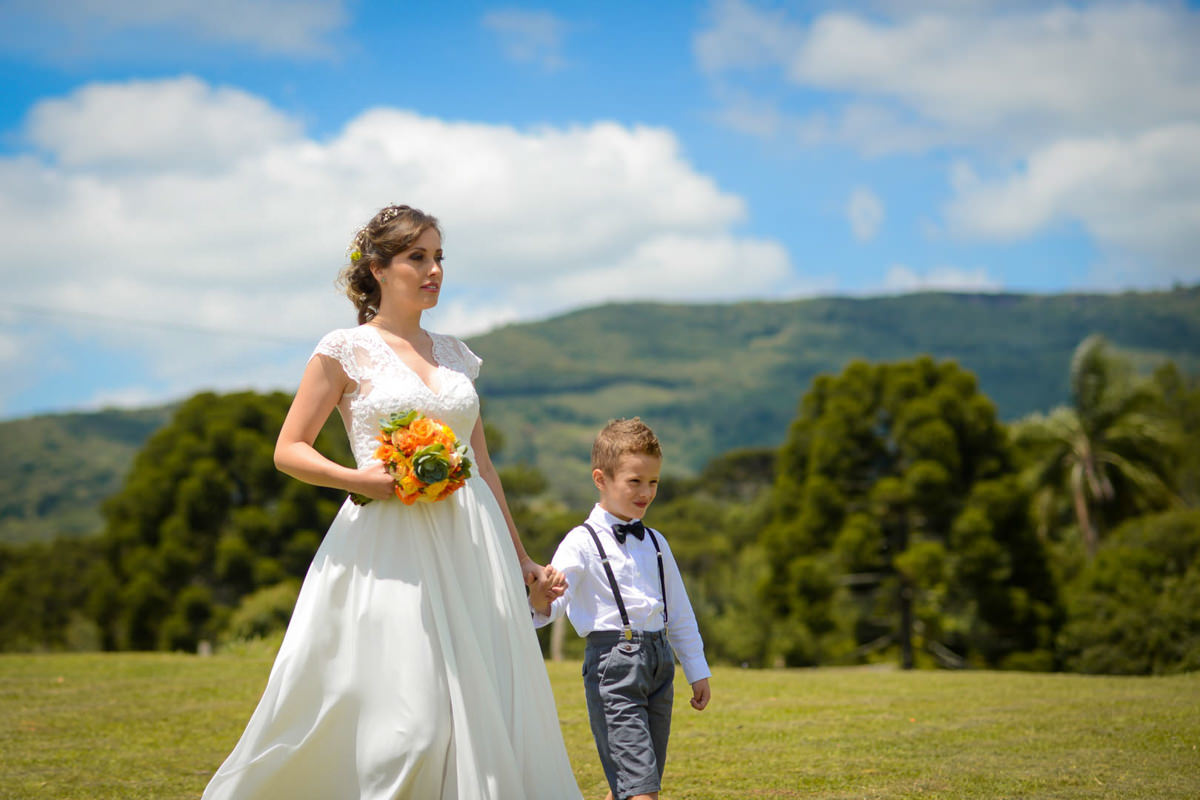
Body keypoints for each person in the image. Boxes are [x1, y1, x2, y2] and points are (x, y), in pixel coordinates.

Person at [202, 204, 582, 800]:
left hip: (470, 546)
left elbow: (483, 467)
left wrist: (522, 561)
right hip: (389, 548)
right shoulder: (345, 348)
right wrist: (363, 481)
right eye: (417, 257)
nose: (433, 270)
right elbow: (288, 449)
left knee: (484, 712)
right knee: (412, 726)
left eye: (438, 258)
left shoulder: (456, 355)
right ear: (377, 268)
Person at [529, 418, 712, 800]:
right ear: (601, 479)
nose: (646, 492)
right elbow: (553, 603)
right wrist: (541, 597)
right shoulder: (580, 542)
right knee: (641, 790)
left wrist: (696, 670)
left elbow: (679, 613)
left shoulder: (657, 542)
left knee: (631, 783)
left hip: (660, 666)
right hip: (613, 667)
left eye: (654, 482)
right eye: (634, 481)